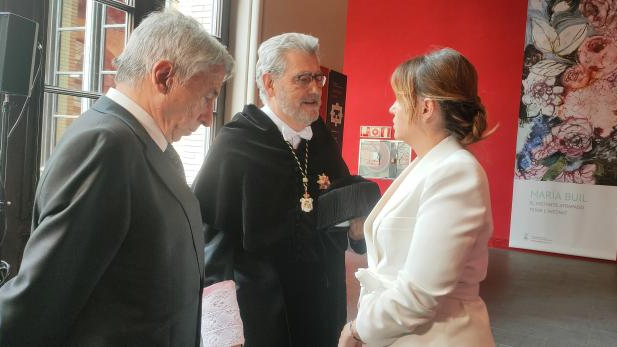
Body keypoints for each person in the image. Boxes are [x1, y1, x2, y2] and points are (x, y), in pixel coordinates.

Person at [0, 9, 234, 346]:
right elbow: (36, 306)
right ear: (164, 76)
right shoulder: (105, 146)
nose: (208, 118)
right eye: (208, 96)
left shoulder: (148, 144)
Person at [193, 33, 376, 347]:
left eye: (317, 78)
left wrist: (357, 232)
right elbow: (211, 246)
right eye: (302, 79)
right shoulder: (235, 145)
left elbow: (339, 212)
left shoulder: (319, 138)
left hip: (323, 304)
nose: (316, 89)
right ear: (270, 82)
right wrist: (223, 333)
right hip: (263, 313)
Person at [338, 48, 496, 347]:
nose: (391, 108)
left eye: (398, 98)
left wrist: (358, 329)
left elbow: (420, 294)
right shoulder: (431, 164)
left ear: (426, 108)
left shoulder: (456, 172)